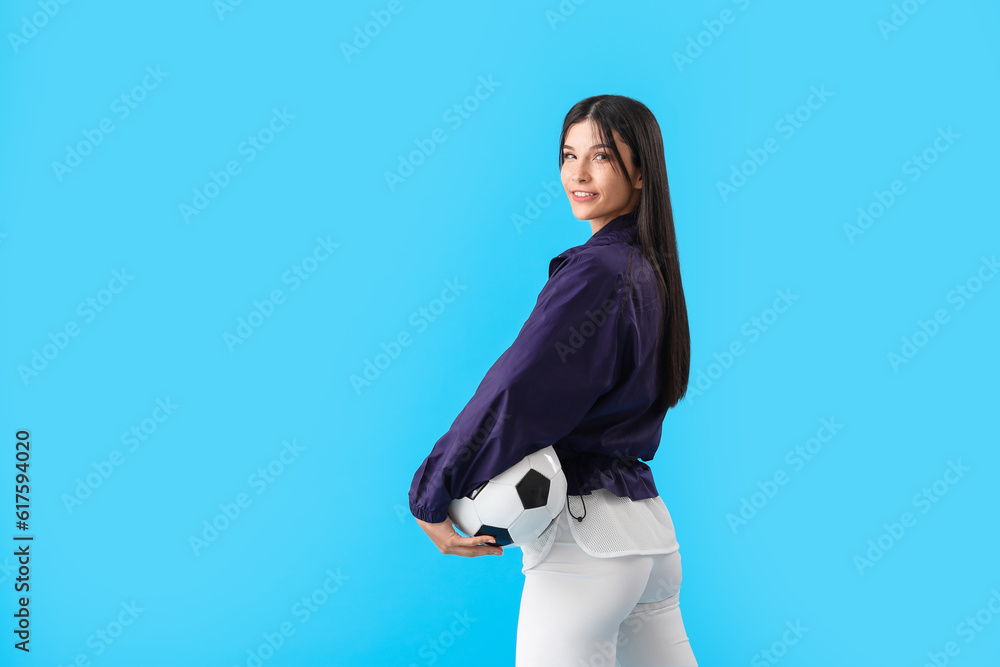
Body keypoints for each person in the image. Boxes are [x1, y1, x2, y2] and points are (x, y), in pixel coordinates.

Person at [408, 94, 697, 666]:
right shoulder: (651, 266)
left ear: (641, 172)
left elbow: (518, 389)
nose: (578, 174)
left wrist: (432, 490)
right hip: (651, 539)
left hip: (585, 547)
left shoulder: (597, 271)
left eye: (602, 157)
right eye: (569, 155)